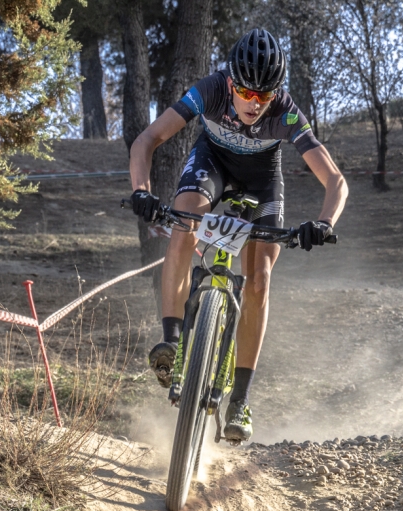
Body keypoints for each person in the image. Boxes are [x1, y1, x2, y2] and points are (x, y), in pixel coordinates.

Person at [128, 28, 348, 442]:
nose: (254, 103)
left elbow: (335, 180)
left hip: (263, 181)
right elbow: (148, 139)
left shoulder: (284, 111)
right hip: (211, 163)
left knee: (260, 277)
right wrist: (141, 190)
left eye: (263, 96)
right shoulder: (209, 89)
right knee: (184, 226)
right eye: (246, 92)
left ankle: (240, 400)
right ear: (231, 83)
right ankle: (172, 344)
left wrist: (324, 222)